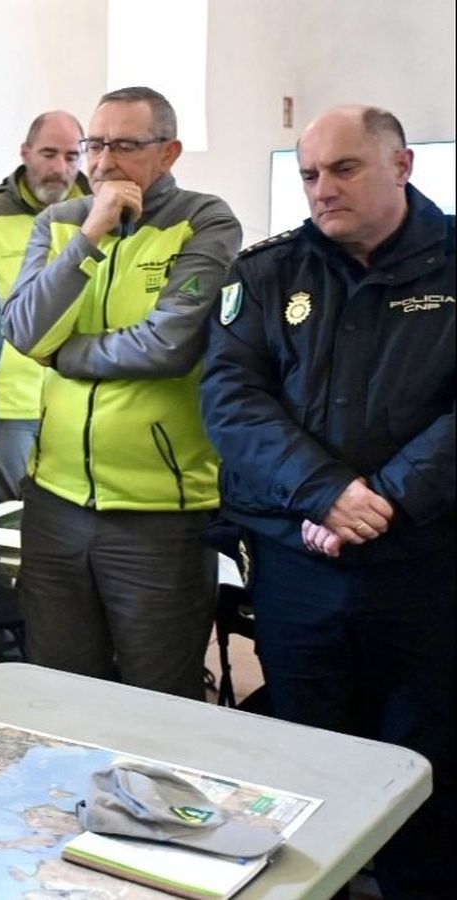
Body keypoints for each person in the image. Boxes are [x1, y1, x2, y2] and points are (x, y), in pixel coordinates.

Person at [201, 105, 454, 898]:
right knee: (307, 761)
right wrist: (323, 493)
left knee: (424, 762)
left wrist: (382, 502)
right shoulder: (266, 272)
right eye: (311, 174)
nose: (322, 189)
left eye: (344, 168)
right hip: (298, 564)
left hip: (425, 564)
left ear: (402, 165)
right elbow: (232, 399)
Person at [2, 86, 241, 699]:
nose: (104, 162)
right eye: (95, 145)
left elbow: (169, 344)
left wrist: (64, 354)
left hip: (158, 514)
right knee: (59, 687)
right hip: (55, 502)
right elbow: (23, 330)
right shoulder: (60, 223)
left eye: (126, 146)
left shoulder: (205, 221)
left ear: (169, 153)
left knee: (157, 696)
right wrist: (91, 234)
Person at [0, 111, 89, 503]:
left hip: (79, 399)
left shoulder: (101, 218)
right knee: (11, 515)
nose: (60, 169)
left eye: (71, 156)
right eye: (48, 154)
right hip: (7, 406)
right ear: (25, 153)